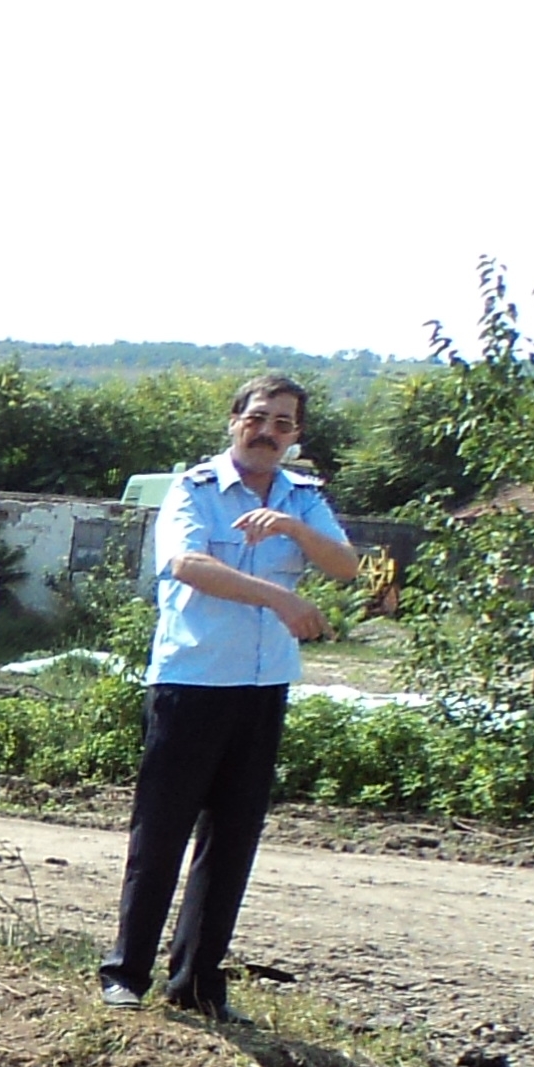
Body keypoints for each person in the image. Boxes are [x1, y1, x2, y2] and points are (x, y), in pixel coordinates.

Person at [99, 374, 358, 1017]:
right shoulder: (194, 489)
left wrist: (293, 530)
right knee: (161, 835)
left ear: (296, 436)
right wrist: (278, 597)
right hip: (192, 680)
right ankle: (125, 975)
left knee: (233, 840)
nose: (268, 432)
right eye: (258, 418)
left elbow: (346, 566)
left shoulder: (303, 498)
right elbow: (187, 564)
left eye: (283, 424)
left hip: (263, 686)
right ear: (235, 420)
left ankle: (195, 984)